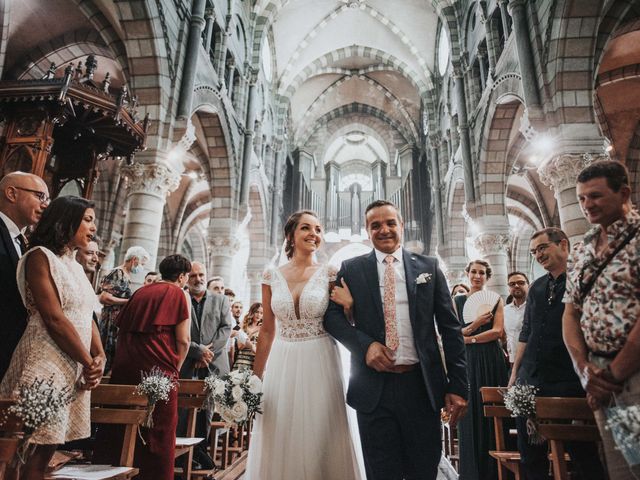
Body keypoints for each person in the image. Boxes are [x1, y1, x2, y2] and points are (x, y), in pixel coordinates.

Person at [324, 200, 468, 480]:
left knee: (423, 471)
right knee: (381, 474)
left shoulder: (428, 266)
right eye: (375, 225)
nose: (384, 229)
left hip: (420, 387)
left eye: (390, 223)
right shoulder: (351, 268)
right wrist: (365, 346)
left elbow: (451, 329)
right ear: (367, 231)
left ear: (401, 226)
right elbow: (331, 317)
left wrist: (458, 385)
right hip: (373, 389)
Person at [245, 210, 362, 479]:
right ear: (291, 235)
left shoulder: (330, 273)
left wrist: (350, 305)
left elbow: (343, 320)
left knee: (320, 431)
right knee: (281, 428)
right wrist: (254, 380)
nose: (314, 235)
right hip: (282, 359)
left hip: (320, 356)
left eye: (318, 229)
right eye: (306, 228)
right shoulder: (270, 276)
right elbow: (266, 331)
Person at [0, 196, 104, 479]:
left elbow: (86, 314)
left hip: (71, 364)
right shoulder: (39, 257)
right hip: (44, 361)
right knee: (22, 453)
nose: (93, 228)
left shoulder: (75, 265)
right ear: (65, 220)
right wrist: (87, 360)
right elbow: (54, 318)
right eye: (88, 220)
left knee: (45, 454)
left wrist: (100, 356)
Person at [507, 227, 604, 479]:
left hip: (566, 377)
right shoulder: (538, 287)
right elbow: (526, 333)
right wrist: (516, 373)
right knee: (530, 453)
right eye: (533, 252)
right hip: (530, 379)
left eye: (542, 248)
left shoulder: (582, 277)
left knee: (581, 451)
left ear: (563, 244)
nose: (538, 255)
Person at [563, 161, 640, 480]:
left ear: (623, 192)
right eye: (581, 198)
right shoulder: (582, 251)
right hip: (600, 379)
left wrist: (614, 373)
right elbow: (570, 313)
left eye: (595, 196)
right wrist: (585, 370)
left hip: (632, 376)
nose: (586, 205)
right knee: (623, 469)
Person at [93, 254, 191, 480]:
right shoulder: (177, 293)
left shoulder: (140, 292)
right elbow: (183, 340)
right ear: (182, 276)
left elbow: (122, 330)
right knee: (160, 432)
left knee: (121, 427)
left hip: (127, 368)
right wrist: (175, 368)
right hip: (159, 370)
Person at [454, 259, 507, 480]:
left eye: (482, 273)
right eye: (473, 272)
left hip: (491, 358)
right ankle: (472, 472)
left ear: (487, 276)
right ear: (467, 274)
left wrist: (471, 338)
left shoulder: (496, 300)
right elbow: (455, 333)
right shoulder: (457, 300)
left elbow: (497, 332)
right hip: (468, 360)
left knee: (492, 408)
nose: (477, 276)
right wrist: (475, 324)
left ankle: (496, 470)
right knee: (470, 408)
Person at [180, 261, 232, 470]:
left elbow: (226, 328)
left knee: (206, 409)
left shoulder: (220, 300)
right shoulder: (180, 298)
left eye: (201, 275)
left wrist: (207, 352)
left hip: (214, 364)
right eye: (193, 276)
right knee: (184, 409)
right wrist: (196, 351)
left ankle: (201, 451)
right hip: (187, 361)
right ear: (186, 277)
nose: (198, 279)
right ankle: (184, 454)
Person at [0, 172, 50, 381]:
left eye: (48, 199)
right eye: (40, 196)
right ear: (11, 193)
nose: (45, 205)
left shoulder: (24, 242)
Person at [98, 245, 150, 373]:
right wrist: (129, 302)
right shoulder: (118, 273)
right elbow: (104, 297)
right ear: (134, 260)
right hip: (111, 319)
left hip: (117, 320)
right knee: (107, 354)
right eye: (141, 264)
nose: (141, 268)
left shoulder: (125, 274)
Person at [503, 271, 528, 370]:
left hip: (532, 359)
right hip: (513, 360)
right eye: (512, 284)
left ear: (528, 285)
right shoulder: (505, 310)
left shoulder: (534, 307)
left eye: (521, 283)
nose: (516, 286)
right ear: (508, 288)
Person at [232, 302, 262, 371]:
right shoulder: (242, 324)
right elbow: (239, 346)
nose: (259, 315)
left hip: (255, 362)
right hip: (242, 362)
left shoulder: (263, 328)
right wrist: (252, 333)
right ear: (252, 312)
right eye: (256, 312)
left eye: (261, 313)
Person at [227, 300, 245, 366]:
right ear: (231, 309)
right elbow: (233, 331)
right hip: (229, 351)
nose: (239, 310)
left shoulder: (240, 322)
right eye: (236, 307)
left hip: (238, 352)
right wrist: (243, 323)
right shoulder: (229, 320)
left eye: (241, 308)